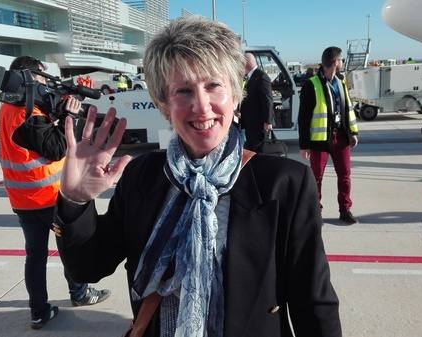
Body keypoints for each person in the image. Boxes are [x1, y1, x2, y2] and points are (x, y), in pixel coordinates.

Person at [53, 16, 341, 337]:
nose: (201, 106)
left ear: (235, 93)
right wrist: (75, 202)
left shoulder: (284, 183)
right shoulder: (142, 176)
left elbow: (312, 300)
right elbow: (87, 267)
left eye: (213, 85)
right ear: (164, 103)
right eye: (183, 90)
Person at [0, 56, 110, 330]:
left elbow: (36, 140)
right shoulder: (27, 114)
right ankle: (80, 293)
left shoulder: (9, 107)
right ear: (30, 77)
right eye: (40, 78)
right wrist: (69, 117)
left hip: (23, 199)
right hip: (46, 196)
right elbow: (56, 148)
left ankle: (38, 311)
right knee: (70, 247)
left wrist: (56, 113)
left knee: (35, 255)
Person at [298, 46, 359, 224]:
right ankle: (316, 211)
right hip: (320, 141)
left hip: (340, 138)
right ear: (335, 62)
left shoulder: (340, 82)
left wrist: (353, 132)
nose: (342, 63)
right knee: (316, 179)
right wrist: (304, 145)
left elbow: (347, 109)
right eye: (340, 60)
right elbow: (303, 118)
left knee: (345, 175)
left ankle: (345, 209)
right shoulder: (312, 85)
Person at [239, 52, 274, 152]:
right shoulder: (250, 76)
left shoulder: (261, 77)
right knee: (251, 148)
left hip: (259, 124)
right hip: (251, 123)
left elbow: (268, 100)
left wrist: (268, 121)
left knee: (258, 149)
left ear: (246, 63)